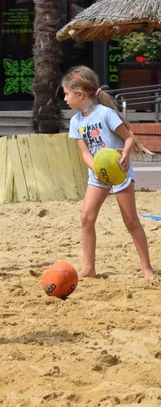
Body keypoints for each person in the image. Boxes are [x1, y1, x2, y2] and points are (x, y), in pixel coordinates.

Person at [63, 66, 154, 279]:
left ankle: (146, 268)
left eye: (66, 94)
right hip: (97, 174)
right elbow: (84, 153)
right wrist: (97, 169)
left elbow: (129, 137)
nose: (65, 99)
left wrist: (125, 154)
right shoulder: (76, 121)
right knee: (86, 217)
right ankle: (89, 268)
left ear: (80, 94)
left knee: (131, 221)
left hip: (119, 172)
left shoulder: (106, 114)